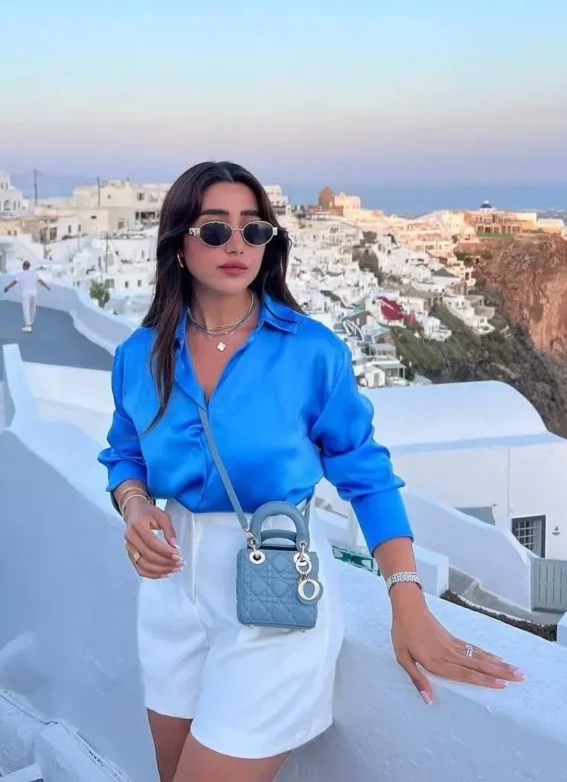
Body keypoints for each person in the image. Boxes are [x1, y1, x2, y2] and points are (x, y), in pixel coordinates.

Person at [98, 161, 524, 782]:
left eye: (254, 230)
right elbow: (123, 452)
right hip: (169, 590)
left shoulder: (309, 351)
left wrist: (407, 598)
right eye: (214, 230)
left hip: (275, 583)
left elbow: (365, 474)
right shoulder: (140, 354)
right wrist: (135, 505)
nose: (237, 244)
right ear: (179, 245)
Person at [3, 260, 50, 332]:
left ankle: (28, 326)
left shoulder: (21, 274)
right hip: (34, 293)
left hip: (26, 294)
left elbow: (14, 282)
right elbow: (41, 281)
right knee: (33, 308)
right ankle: (31, 321)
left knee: (26, 309)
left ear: (23, 266)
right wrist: (47, 287)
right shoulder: (34, 273)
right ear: (29, 266)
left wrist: (7, 287)